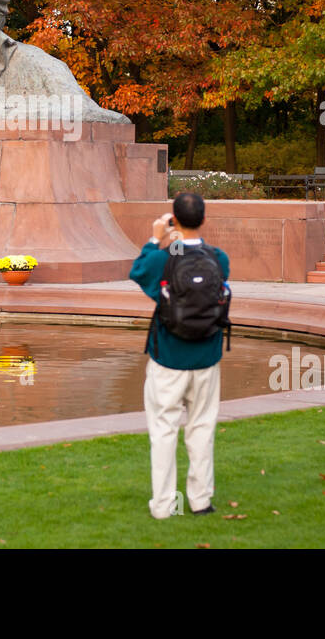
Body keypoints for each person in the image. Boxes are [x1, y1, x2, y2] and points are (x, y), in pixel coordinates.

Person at [128, 191, 231, 519]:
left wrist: (155, 237)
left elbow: (139, 270)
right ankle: (200, 501)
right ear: (204, 219)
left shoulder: (162, 259)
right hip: (206, 358)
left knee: (163, 430)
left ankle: (163, 506)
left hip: (168, 358)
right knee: (202, 428)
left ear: (174, 218)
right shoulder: (219, 258)